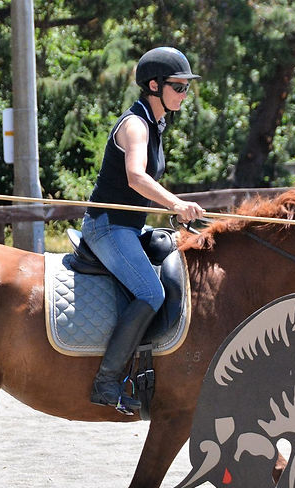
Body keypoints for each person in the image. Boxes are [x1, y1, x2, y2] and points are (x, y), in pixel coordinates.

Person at [82, 46, 206, 414]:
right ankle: (106, 381)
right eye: (179, 87)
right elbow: (136, 178)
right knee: (151, 292)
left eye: (186, 87)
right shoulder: (136, 125)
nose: (185, 94)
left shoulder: (156, 124)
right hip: (107, 227)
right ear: (154, 85)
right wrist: (175, 204)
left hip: (129, 228)